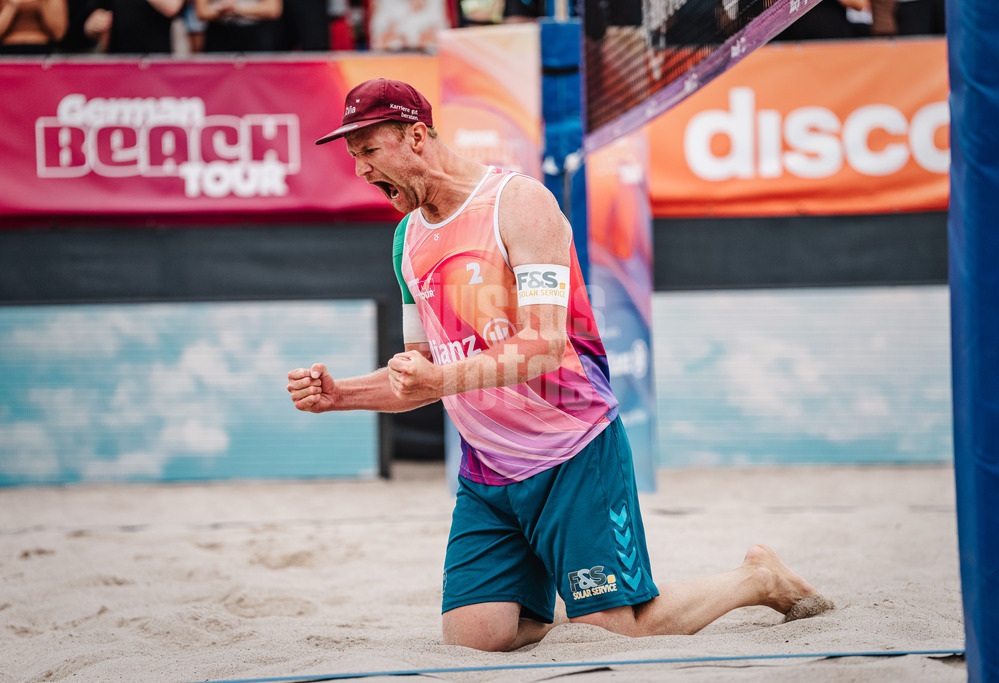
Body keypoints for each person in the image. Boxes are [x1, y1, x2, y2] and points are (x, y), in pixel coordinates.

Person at [286, 78, 834, 652]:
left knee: (611, 630)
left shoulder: (519, 203)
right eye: (354, 158)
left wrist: (442, 379)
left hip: (572, 448)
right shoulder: (407, 240)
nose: (362, 172)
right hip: (488, 469)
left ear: (417, 136)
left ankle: (757, 577)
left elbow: (544, 345)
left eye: (370, 152)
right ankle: (573, 599)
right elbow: (419, 375)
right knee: (476, 639)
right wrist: (340, 394)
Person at [0, 0, 67, 54]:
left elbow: (58, 34)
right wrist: (12, 5)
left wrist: (41, 2)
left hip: (42, 50)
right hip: (7, 51)